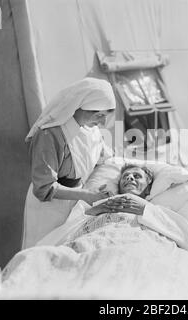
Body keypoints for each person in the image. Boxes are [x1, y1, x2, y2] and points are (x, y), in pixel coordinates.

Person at [22, 78, 116, 249]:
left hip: (76, 201)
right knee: (45, 253)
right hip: (48, 208)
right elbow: (44, 189)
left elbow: (105, 158)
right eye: (99, 115)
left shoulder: (91, 131)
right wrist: (87, 195)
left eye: (106, 116)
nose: (103, 123)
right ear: (82, 106)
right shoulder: (50, 135)